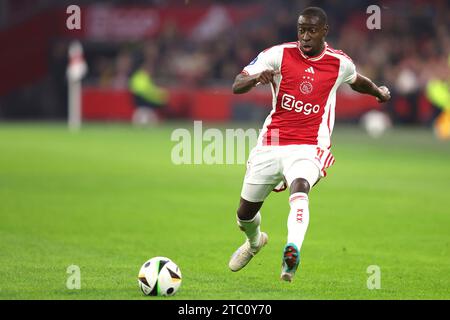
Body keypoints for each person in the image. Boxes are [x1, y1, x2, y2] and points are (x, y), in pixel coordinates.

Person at [228, 7, 391, 282]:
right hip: (272, 142)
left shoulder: (339, 62)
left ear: (324, 32)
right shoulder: (277, 55)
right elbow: (237, 84)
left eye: (311, 30)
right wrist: (257, 78)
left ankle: (292, 251)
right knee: (245, 214)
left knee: (300, 185)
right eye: (301, 30)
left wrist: (378, 92)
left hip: (310, 145)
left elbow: (357, 81)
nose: (305, 36)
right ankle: (255, 242)